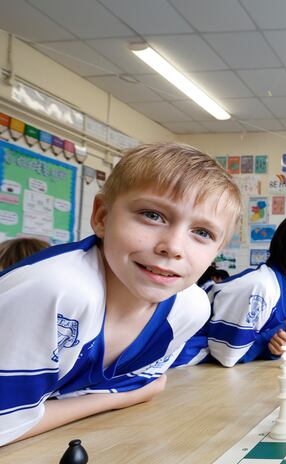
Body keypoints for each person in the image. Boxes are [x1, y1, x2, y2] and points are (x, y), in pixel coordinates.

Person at [0, 142, 242, 446]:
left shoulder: (189, 308)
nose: (174, 247)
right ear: (102, 217)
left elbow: (136, 386)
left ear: (216, 252)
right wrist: (120, 399)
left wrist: (129, 394)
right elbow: (7, 423)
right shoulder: (58, 290)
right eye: (152, 215)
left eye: (203, 233)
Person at [174, 212, 286, 367]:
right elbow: (227, 356)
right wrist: (279, 334)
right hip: (178, 363)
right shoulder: (260, 287)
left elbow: (259, 344)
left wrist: (273, 346)